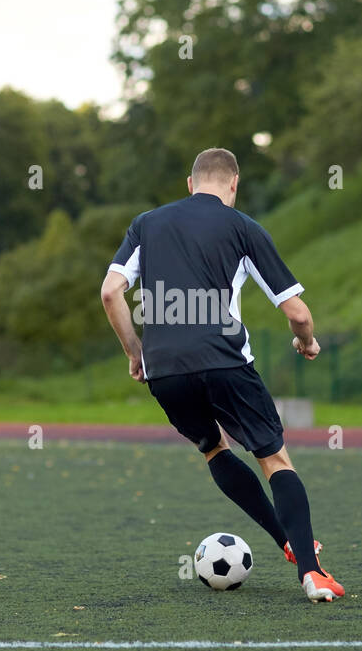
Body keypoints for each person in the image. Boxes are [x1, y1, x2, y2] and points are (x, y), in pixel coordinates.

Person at [99, 147, 344, 602]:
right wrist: (306, 341)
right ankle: (313, 574)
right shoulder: (243, 226)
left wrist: (136, 352)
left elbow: (111, 292)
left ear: (190, 184)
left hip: (165, 370)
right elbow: (297, 311)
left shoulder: (146, 224)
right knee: (275, 460)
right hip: (225, 359)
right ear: (233, 185)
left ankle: (287, 541)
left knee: (214, 448)